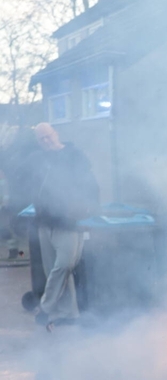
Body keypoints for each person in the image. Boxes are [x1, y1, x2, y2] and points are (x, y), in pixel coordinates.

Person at [24, 122, 99, 331]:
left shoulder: (75, 156)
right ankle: (68, 314)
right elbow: (28, 183)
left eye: (48, 136)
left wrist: (85, 211)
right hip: (44, 223)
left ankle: (46, 307)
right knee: (52, 271)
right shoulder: (37, 160)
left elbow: (91, 186)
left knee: (64, 265)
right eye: (41, 139)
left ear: (56, 133)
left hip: (68, 223)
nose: (46, 141)